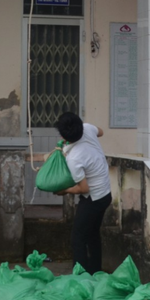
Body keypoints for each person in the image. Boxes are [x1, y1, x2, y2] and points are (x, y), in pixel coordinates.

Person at [54, 112, 110, 274]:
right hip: (105, 193)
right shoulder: (87, 128)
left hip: (94, 198)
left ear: (63, 135)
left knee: (78, 238)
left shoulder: (74, 158)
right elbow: (101, 131)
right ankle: (95, 271)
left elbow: (83, 188)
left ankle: (80, 277)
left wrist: (64, 190)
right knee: (92, 234)